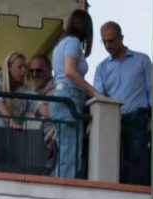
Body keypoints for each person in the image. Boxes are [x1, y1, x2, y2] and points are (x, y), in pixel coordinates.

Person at [93, 20, 153, 185]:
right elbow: (100, 97)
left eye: (111, 40)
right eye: (104, 41)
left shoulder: (142, 61)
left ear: (121, 38)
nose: (107, 45)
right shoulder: (101, 68)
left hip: (138, 119)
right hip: (113, 120)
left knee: (138, 160)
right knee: (116, 161)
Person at [45, 7, 97, 178]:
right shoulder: (73, 42)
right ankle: (64, 188)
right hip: (69, 95)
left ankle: (61, 182)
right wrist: (94, 92)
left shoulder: (60, 44)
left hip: (60, 95)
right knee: (70, 150)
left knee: (67, 147)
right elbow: (70, 71)